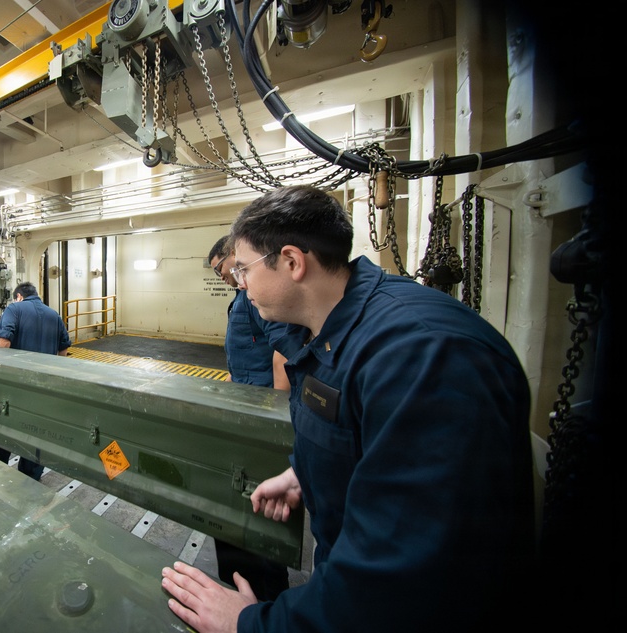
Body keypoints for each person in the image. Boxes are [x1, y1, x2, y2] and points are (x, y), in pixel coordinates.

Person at [161, 186, 535, 632]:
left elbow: (399, 583)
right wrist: (305, 471)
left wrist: (250, 623)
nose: (240, 284)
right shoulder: (332, 334)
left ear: (293, 262)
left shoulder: (423, 355)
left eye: (243, 269)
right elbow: (357, 428)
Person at [206, 235, 293, 602]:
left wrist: (274, 419)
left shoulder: (257, 296)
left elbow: (281, 355)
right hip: (245, 404)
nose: (223, 276)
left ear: (233, 256)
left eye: (222, 268)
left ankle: (264, 597)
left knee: (255, 511)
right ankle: (242, 586)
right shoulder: (243, 297)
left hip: (261, 413)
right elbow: (247, 353)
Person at [0, 282, 71, 481]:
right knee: (36, 430)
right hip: (43, 388)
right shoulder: (54, 314)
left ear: (19, 296)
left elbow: (3, 342)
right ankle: (30, 477)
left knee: (3, 425)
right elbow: (63, 351)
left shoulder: (14, 308)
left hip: (14, 385)